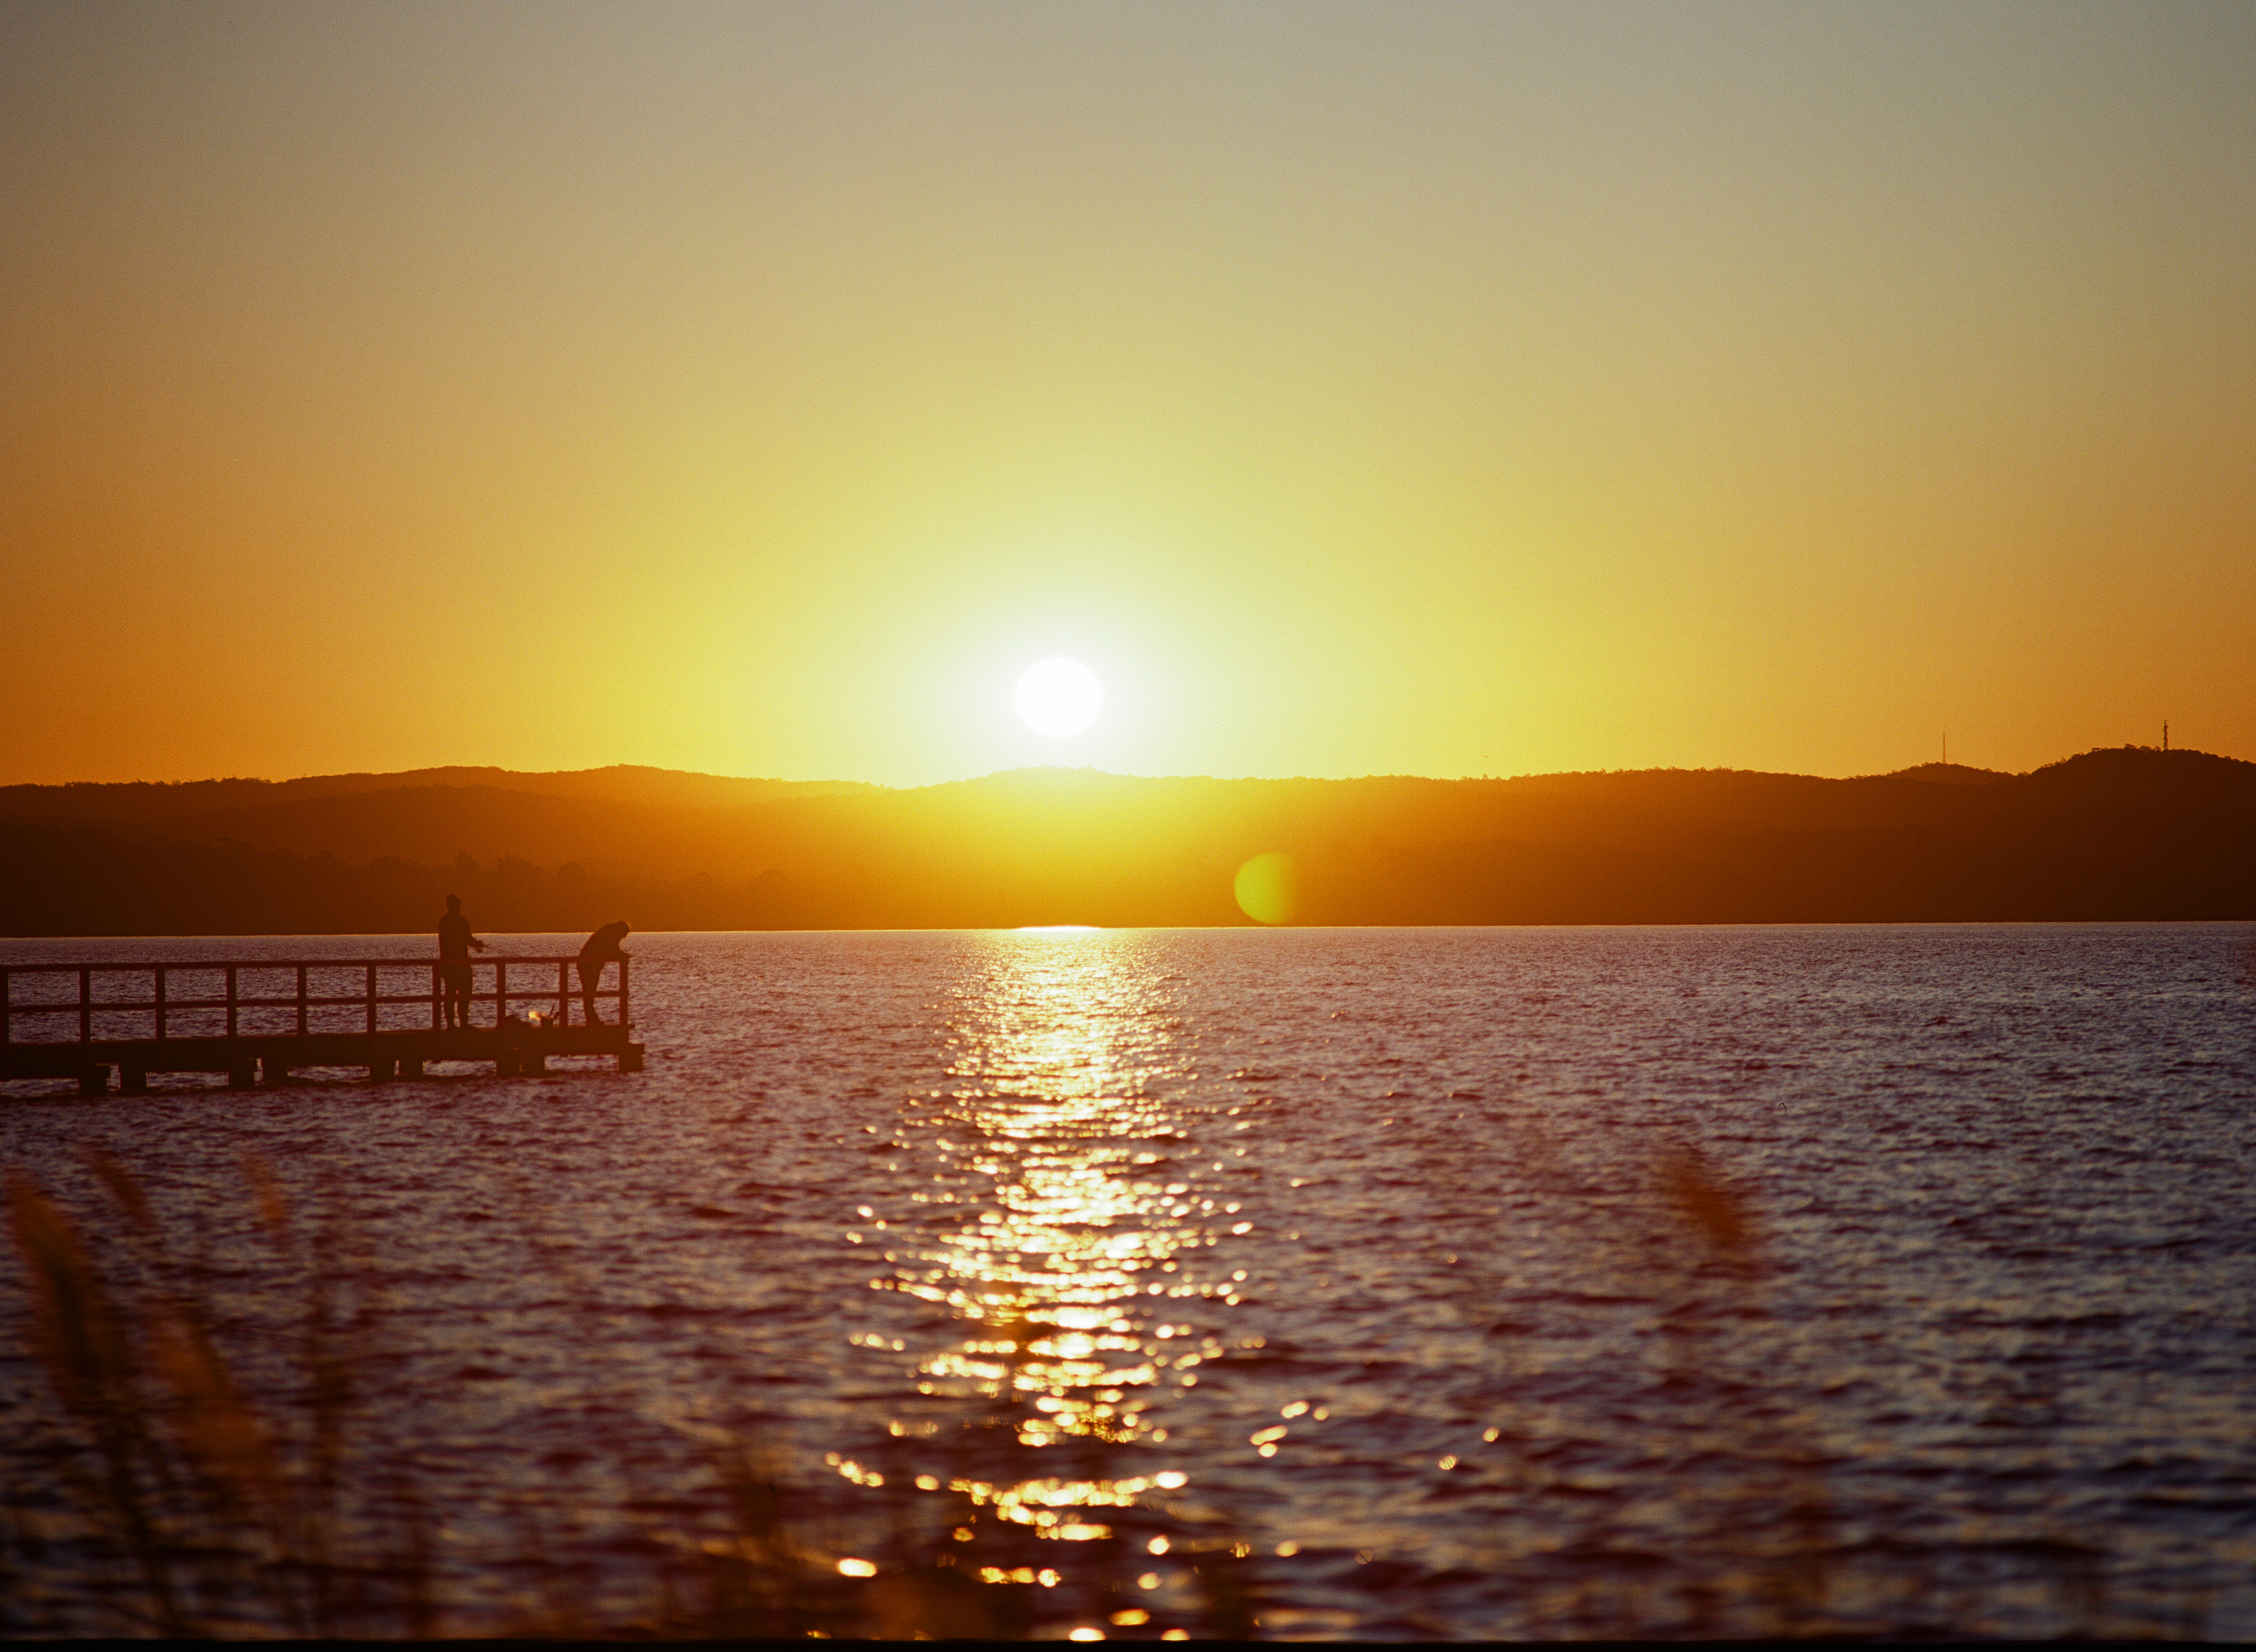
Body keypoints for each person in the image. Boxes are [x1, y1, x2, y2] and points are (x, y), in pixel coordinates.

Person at [437, 894, 487, 1029]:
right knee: (459, 994)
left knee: (455, 994)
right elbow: (466, 939)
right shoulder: (457, 922)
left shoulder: (444, 922)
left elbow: (464, 939)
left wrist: (476, 944)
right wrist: (477, 944)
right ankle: (460, 1023)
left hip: (451, 964)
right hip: (458, 964)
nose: (458, 908)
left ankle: (454, 1024)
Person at [576, 920, 630, 1026]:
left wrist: (620, 954)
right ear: (621, 931)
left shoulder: (607, 933)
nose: (624, 937)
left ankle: (592, 1019)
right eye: (624, 935)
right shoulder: (610, 935)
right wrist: (622, 955)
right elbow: (612, 949)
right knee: (589, 992)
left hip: (590, 965)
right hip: (588, 965)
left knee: (590, 993)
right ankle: (591, 1020)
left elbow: (613, 949)